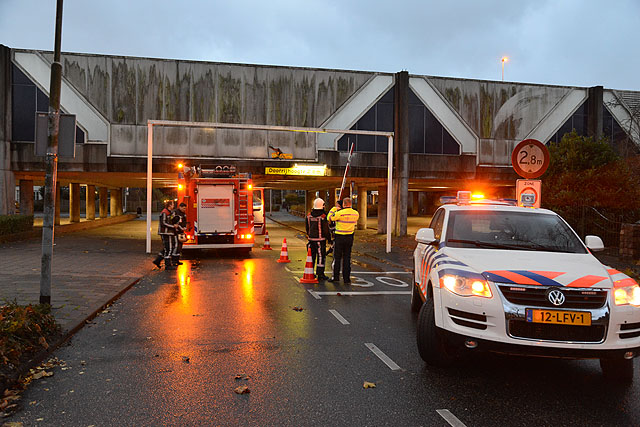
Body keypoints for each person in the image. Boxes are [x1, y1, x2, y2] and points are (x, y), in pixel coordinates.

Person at [328, 198, 359, 284]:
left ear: (343, 204)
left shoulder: (339, 213)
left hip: (339, 237)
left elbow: (329, 218)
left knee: (337, 258)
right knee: (347, 258)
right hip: (349, 237)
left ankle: (336, 277)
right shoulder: (356, 213)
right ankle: (346, 279)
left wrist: (334, 209)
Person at [305, 198, 330, 281]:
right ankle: (320, 274)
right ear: (322, 206)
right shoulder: (323, 217)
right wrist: (329, 239)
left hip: (311, 239)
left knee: (311, 257)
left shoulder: (308, 216)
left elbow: (307, 227)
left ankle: (310, 272)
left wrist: (309, 235)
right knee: (321, 257)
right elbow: (326, 229)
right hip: (320, 240)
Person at [152, 200, 177, 270]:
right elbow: (163, 223)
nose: (173, 206)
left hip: (169, 232)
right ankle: (167, 265)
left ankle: (158, 260)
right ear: (169, 205)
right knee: (169, 248)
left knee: (167, 248)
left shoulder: (169, 213)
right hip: (166, 233)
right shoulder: (164, 213)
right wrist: (173, 226)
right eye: (172, 204)